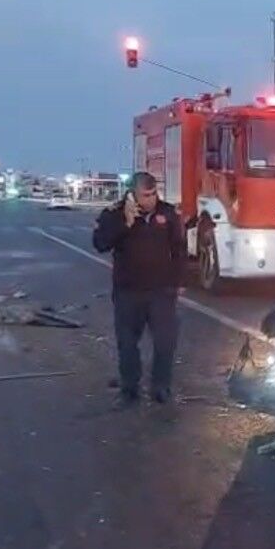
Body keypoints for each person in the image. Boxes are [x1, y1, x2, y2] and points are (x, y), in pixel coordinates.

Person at [92, 172, 186, 406]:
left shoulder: (168, 213)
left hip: (161, 291)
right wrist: (126, 223)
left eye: (154, 194)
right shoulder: (114, 213)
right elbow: (100, 243)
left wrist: (179, 281)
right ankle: (129, 389)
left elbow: (180, 249)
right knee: (127, 343)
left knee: (165, 342)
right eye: (146, 195)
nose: (151, 199)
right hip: (128, 291)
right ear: (133, 194)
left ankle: (161, 386)